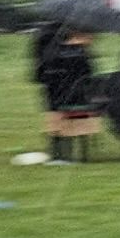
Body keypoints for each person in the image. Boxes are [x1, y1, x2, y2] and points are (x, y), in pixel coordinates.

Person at [31, 24, 96, 164]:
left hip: (55, 95)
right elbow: (88, 75)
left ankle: (59, 154)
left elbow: (41, 73)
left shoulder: (49, 48)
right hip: (78, 97)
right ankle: (77, 154)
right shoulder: (81, 53)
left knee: (55, 118)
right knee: (75, 117)